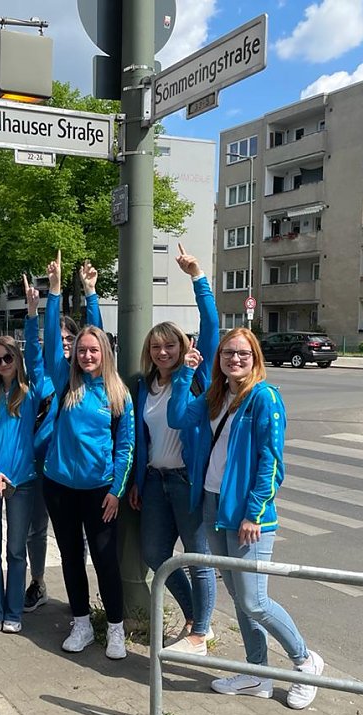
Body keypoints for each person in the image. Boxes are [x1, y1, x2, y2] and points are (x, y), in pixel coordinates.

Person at [169, 328, 325, 709]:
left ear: (255, 356)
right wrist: (185, 372)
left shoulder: (263, 398)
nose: (234, 359)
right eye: (227, 354)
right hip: (212, 504)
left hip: (247, 515)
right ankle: (258, 674)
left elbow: (272, 462)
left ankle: (305, 661)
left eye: (242, 353)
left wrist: (255, 512)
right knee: (240, 599)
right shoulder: (216, 396)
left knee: (254, 600)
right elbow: (176, 417)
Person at [37, 252, 135, 660]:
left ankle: (115, 628)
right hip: (60, 487)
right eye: (82, 350)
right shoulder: (66, 382)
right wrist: (56, 290)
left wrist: (116, 490)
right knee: (71, 558)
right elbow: (47, 348)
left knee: (105, 561)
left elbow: (126, 447)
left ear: (104, 353)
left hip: (100, 493)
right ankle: (81, 624)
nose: (87, 355)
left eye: (94, 350)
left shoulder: (117, 393)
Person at [127, 244, 219, 656]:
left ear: (182, 348)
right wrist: (136, 481)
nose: (163, 352)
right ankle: (194, 617)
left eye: (170, 346)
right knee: (155, 553)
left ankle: (201, 630)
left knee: (198, 558)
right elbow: (138, 439)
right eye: (156, 347)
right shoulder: (144, 386)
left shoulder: (195, 378)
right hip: (155, 482)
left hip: (186, 481)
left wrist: (197, 276)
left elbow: (212, 325)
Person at [0, 275, 48, 633]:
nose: (2, 364)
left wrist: (32, 314)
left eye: (7, 359)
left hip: (23, 483)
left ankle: (14, 611)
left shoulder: (30, 394)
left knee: (16, 551)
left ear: (17, 359)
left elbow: (37, 354)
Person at [24, 254, 102, 614]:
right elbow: (42, 345)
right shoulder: (51, 373)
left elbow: (98, 340)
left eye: (74, 337)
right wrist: (50, 296)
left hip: (77, 471)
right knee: (36, 529)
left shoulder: (88, 380)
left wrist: (91, 295)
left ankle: (83, 600)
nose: (68, 343)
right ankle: (38, 582)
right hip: (43, 463)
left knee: (79, 540)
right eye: (65, 338)